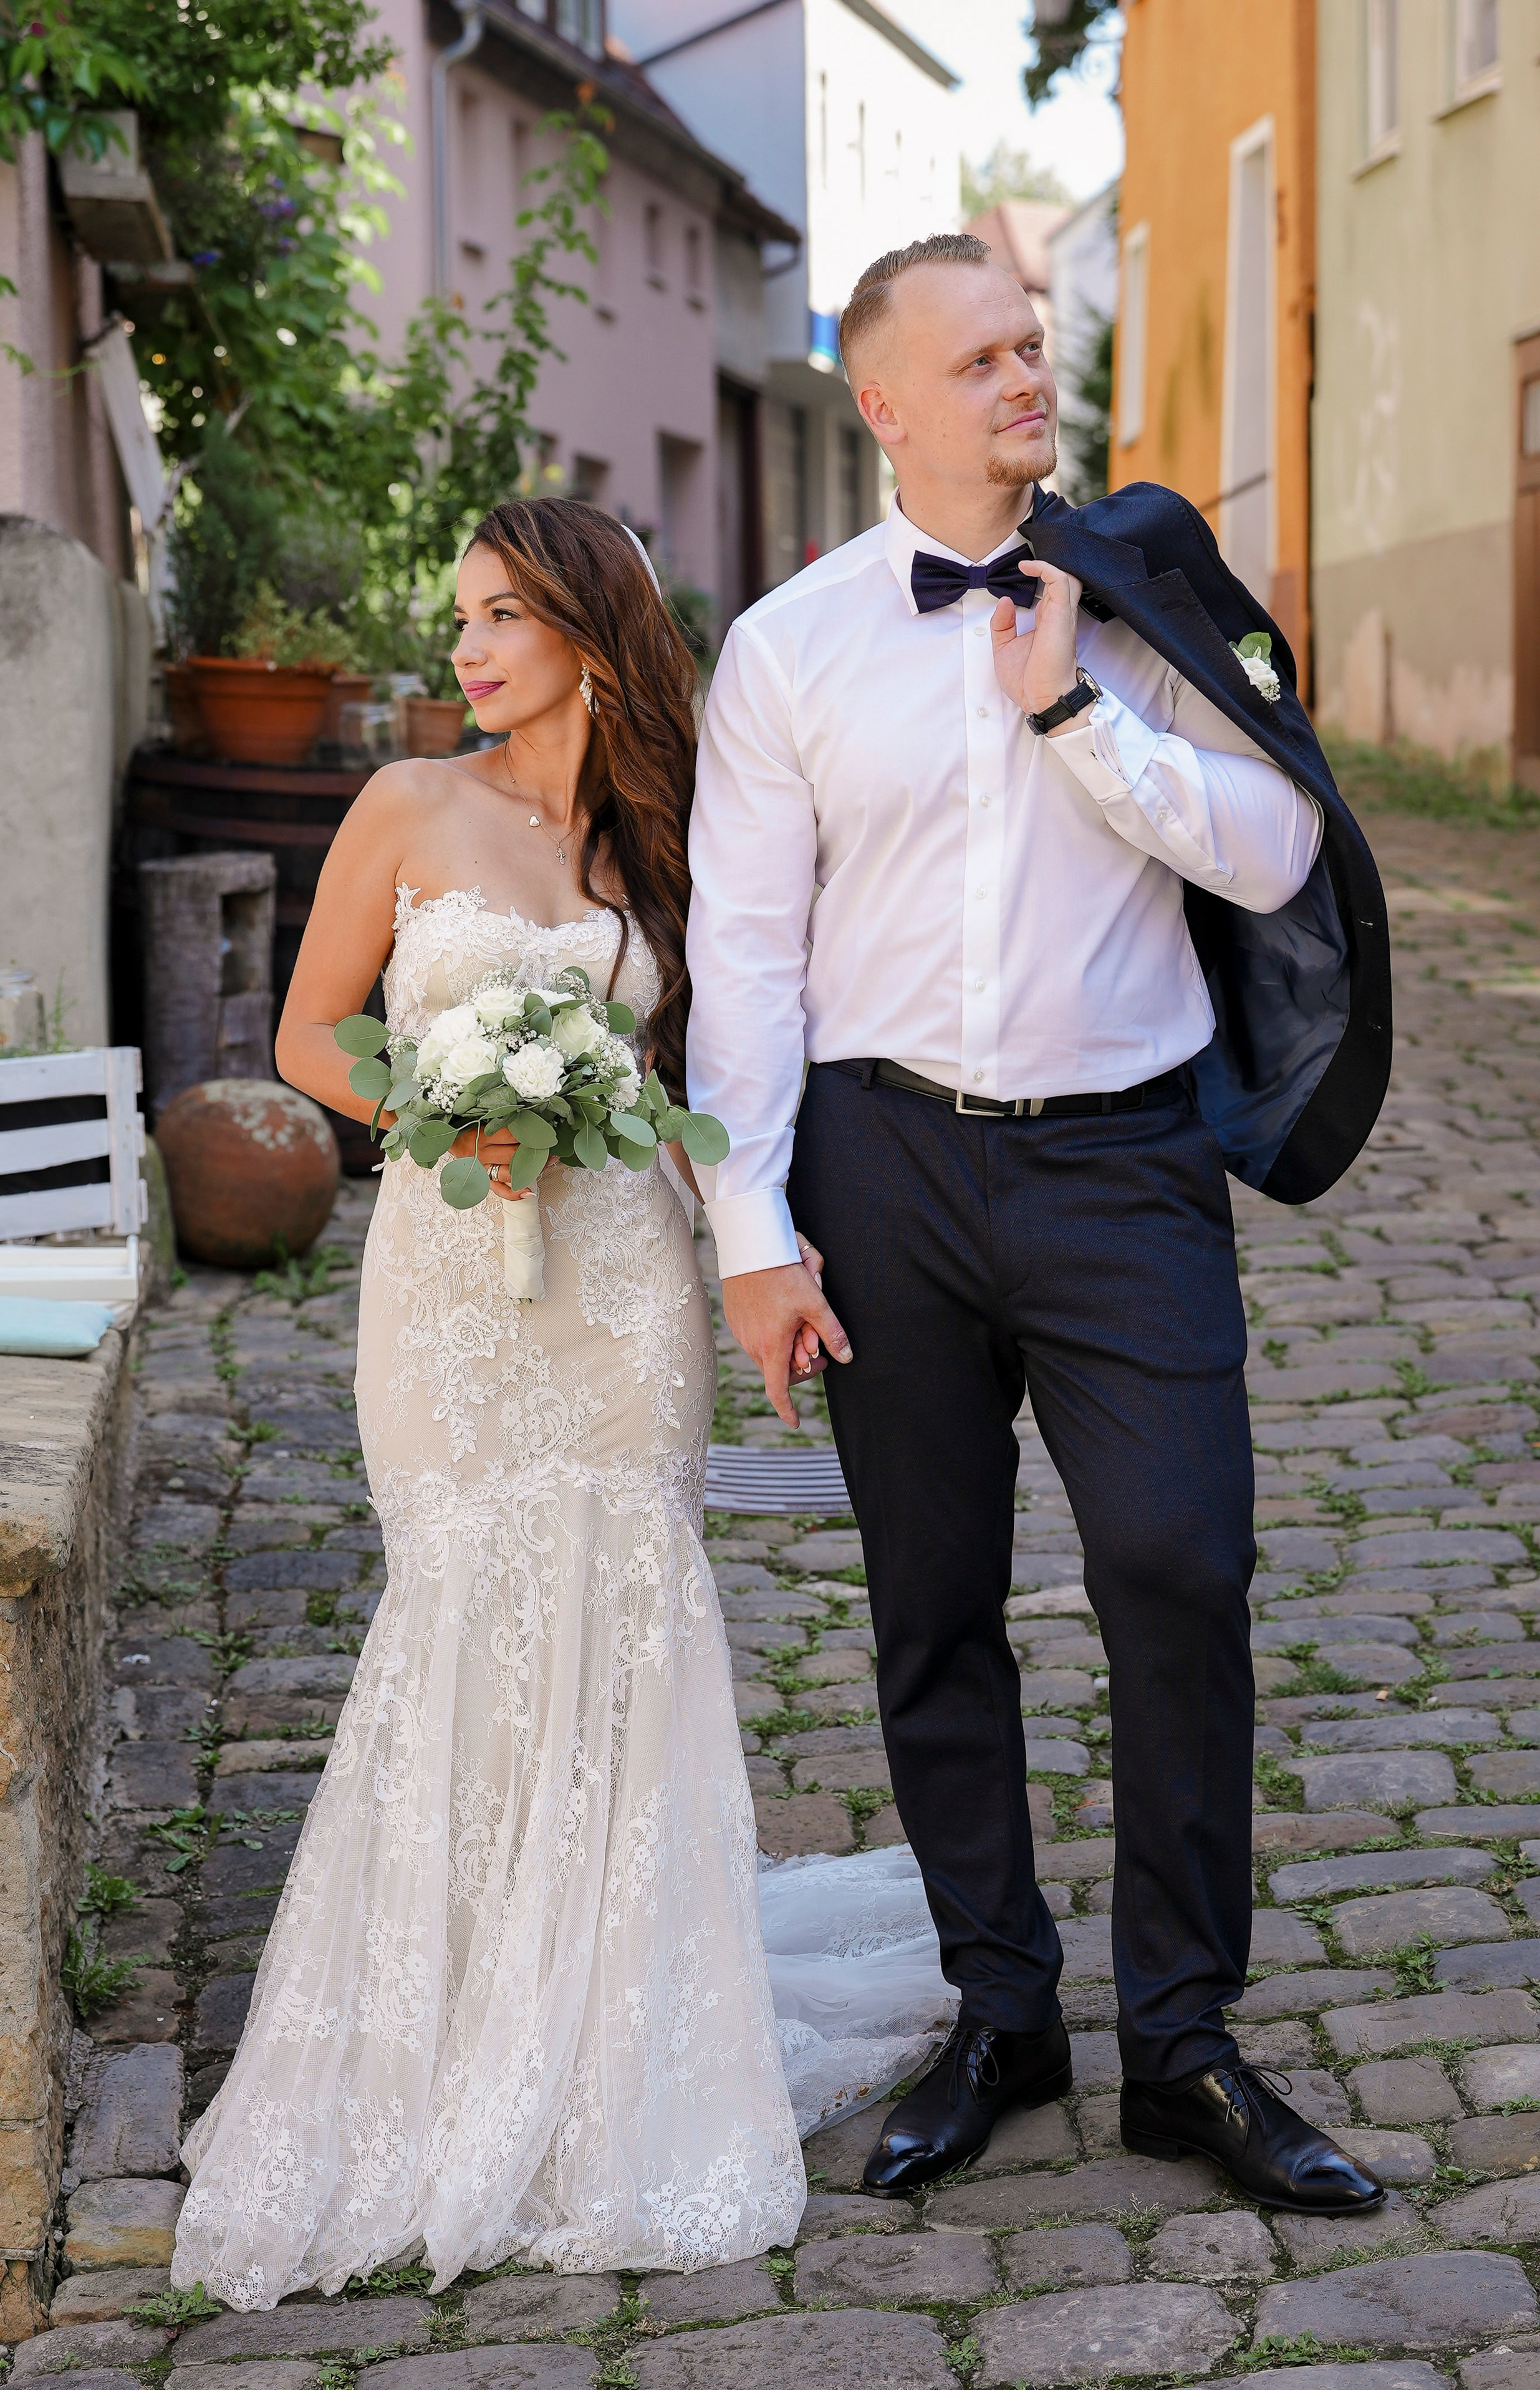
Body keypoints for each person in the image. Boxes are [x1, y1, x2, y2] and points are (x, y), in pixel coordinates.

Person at [685, 232, 1392, 2215]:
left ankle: (1184, 2041)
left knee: (1180, 1566)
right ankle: (1003, 2007)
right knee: (933, 1606)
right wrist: (750, 1226)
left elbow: (1274, 849)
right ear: (882, 396)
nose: (1030, 374)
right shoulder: (792, 647)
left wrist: (1080, 712)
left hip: (1124, 1167)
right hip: (882, 1169)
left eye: (1037, 344)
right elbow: (745, 961)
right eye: (984, 354)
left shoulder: (1145, 591)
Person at [170, 499, 817, 2305]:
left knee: (620, 1610)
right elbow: (308, 1037)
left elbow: (725, 1060)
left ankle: (608, 2047)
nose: (466, 647)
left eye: (504, 615)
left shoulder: (668, 837)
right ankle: (442, 2039)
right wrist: (447, 1110)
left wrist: (769, 1248)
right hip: (455, 1289)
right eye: (457, 613)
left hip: (626, 1282)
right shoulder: (404, 805)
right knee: (463, 1601)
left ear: (595, 639)